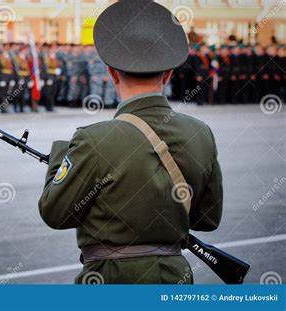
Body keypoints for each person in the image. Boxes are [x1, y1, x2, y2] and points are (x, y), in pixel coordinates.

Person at [38, 0, 222, 284]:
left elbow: (55, 213)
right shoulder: (201, 132)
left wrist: (62, 156)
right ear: (169, 74)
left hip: (111, 279)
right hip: (176, 277)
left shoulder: (93, 139)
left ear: (112, 73)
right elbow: (208, 219)